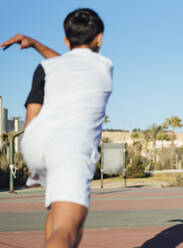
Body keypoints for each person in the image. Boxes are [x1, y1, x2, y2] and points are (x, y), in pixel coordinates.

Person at [1, 8, 113, 247]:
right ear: (99, 38)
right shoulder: (104, 67)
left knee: (57, 210)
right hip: (69, 147)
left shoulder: (47, 68)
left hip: (34, 141)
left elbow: (59, 65)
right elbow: (71, 62)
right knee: (68, 232)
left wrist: (34, 44)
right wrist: (37, 45)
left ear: (66, 40)